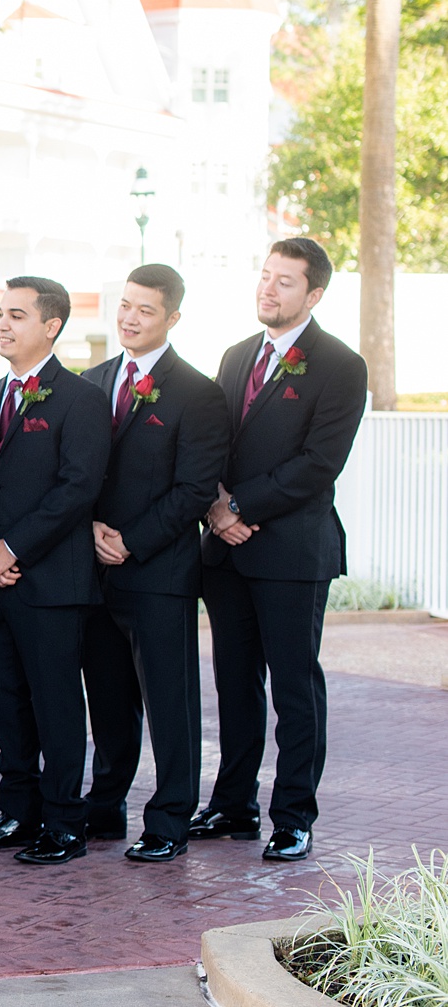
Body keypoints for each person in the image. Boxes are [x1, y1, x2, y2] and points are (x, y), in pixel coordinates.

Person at [191, 238, 367, 863]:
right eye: (264, 277)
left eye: (285, 282)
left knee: (295, 687)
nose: (268, 290)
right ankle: (232, 804)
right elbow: (210, 441)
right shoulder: (237, 356)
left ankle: (293, 816)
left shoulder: (341, 366)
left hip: (292, 552)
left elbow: (318, 464)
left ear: (314, 294)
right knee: (234, 684)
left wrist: (240, 508)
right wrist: (215, 507)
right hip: (227, 551)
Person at [79, 265, 227, 863]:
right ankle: (106, 806)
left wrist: (131, 541)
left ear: (172, 318)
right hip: (92, 567)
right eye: (125, 305)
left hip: (159, 572)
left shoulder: (198, 392)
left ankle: (170, 817)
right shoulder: (89, 383)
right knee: (108, 699)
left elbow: (194, 490)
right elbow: (76, 474)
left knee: (170, 702)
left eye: (145, 310)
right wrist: (90, 529)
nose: (130, 318)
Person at [0, 276, 109, 866]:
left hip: (50, 582)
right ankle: (16, 812)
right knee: (5, 704)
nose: (2, 324)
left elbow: (78, 487)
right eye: (0, 313)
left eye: (16, 315)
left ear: (51, 327)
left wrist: (12, 548)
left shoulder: (80, 399)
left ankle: (65, 821)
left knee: (55, 704)